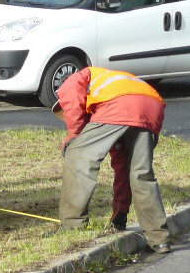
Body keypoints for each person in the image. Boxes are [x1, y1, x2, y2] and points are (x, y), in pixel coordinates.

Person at [53, 66, 171, 252]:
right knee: (140, 173)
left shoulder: (79, 77)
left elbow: (73, 99)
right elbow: (121, 167)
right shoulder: (112, 79)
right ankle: (159, 238)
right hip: (152, 107)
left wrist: (75, 136)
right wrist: (120, 212)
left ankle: (71, 225)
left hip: (119, 105)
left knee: (77, 154)